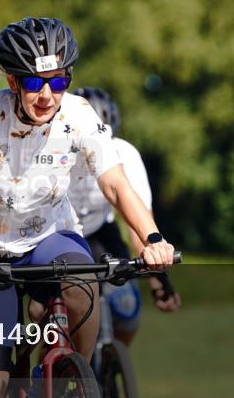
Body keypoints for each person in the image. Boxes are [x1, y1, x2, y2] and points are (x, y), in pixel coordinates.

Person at [0, 17, 176, 398]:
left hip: (49, 235)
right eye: (33, 84)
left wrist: (153, 238)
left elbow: (116, 185)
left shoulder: (78, 114)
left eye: (59, 82)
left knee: (83, 286)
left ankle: (73, 381)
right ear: (12, 82)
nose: (47, 96)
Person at [69, 87, 179, 347]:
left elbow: (138, 221)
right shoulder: (57, 152)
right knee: (47, 313)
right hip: (57, 233)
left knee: (126, 306)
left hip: (99, 232)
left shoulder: (125, 154)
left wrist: (158, 279)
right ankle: (50, 376)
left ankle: (111, 364)